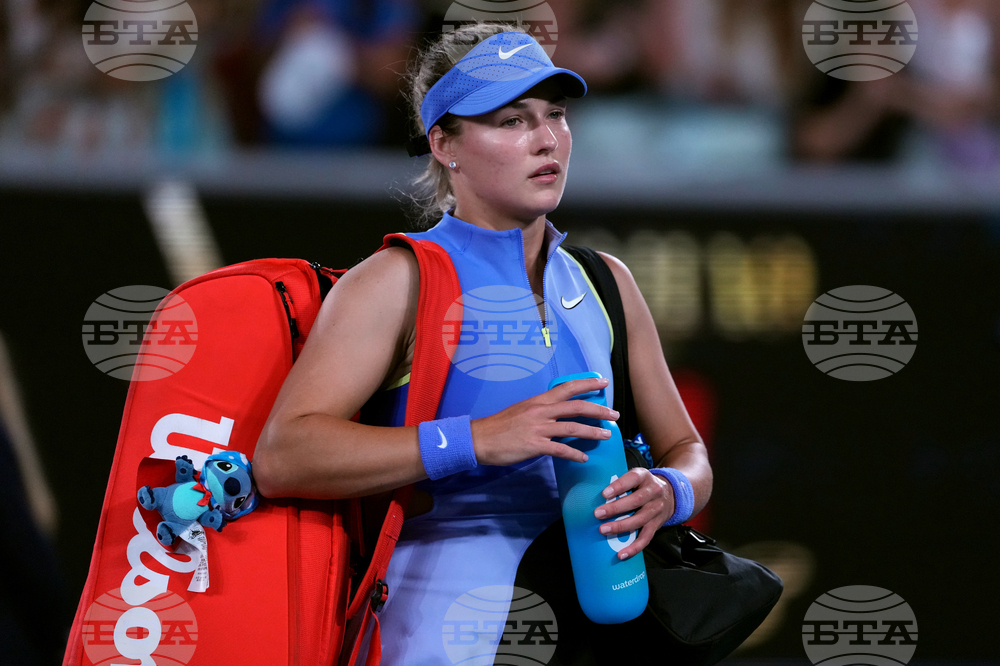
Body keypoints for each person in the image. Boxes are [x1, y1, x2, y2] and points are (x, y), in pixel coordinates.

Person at [253, 22, 712, 664]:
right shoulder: (395, 282)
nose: (547, 139)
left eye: (554, 114)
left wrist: (669, 492)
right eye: (512, 120)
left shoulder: (606, 281)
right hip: (436, 637)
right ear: (445, 143)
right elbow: (283, 455)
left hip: (591, 632)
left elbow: (687, 450)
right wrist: (476, 438)